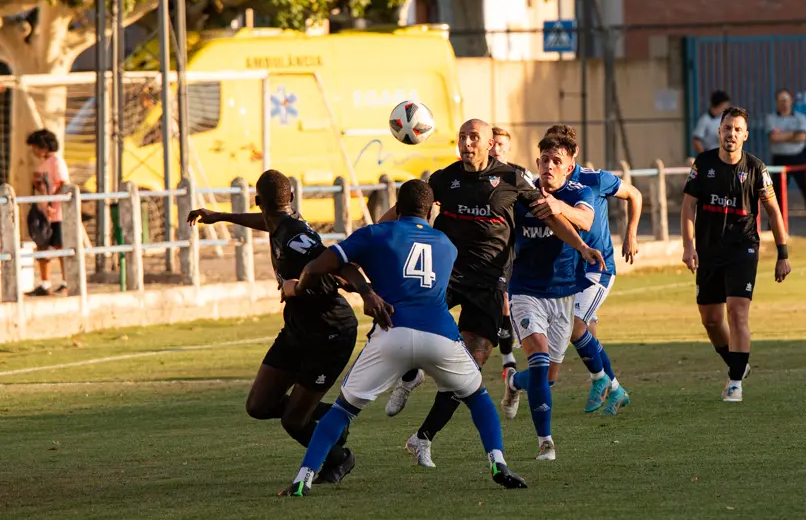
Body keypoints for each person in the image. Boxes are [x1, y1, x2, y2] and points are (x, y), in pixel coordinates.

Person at [277, 180, 527, 496]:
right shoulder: (446, 245)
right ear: (432, 209)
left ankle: (304, 478)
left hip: (392, 332)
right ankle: (498, 463)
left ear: (396, 206)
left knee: (342, 410)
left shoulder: (376, 233)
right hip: (440, 336)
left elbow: (319, 266)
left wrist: (303, 288)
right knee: (478, 397)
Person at [378, 118, 603, 468]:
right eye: (462, 137)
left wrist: (582, 247)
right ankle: (409, 375)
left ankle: (422, 438)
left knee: (470, 366)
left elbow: (549, 217)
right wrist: (375, 234)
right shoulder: (444, 179)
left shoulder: (512, 178)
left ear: (488, 144)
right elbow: (404, 212)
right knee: (404, 321)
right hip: (446, 274)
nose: (467, 143)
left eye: (474, 137)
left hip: (489, 282)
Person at [187, 170, 368, 484]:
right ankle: (329, 417)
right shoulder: (282, 223)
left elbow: (336, 263)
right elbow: (269, 223)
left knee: (294, 421)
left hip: (330, 333)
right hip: (298, 329)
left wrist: (362, 291)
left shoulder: (296, 237)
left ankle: (339, 458)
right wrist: (220, 216)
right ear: (291, 198)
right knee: (259, 405)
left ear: (258, 201)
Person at [496, 134, 605, 461]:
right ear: (537, 162)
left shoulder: (579, 192)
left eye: (557, 161)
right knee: (540, 359)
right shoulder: (523, 194)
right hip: (525, 291)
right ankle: (546, 442)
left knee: (548, 377)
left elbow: (585, 220)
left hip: (562, 294)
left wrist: (560, 208)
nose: (549, 166)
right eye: (544, 160)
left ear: (569, 166)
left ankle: (514, 382)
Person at [529, 123, 642, 415]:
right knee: (584, 332)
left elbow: (634, 194)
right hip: (569, 271)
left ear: (573, 153)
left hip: (597, 267)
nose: (552, 163)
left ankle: (601, 381)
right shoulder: (541, 184)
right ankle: (614, 389)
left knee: (574, 325)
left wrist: (630, 233)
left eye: (560, 154)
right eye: (547, 156)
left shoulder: (594, 179)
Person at [681, 107, 792, 402]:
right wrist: (688, 246)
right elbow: (688, 206)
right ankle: (738, 364)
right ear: (719, 132)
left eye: (737, 129)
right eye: (727, 128)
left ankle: (734, 383)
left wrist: (782, 254)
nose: (731, 133)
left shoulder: (756, 168)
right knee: (711, 320)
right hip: (708, 250)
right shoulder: (703, 164)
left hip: (743, 248)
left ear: (745, 135)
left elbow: (773, 211)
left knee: (737, 312)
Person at [489, 126, 534, 370]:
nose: (496, 149)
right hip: (483, 245)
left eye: (501, 145)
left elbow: (535, 202)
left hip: (512, 245)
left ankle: (508, 357)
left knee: (506, 299)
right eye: (493, 143)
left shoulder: (519, 174)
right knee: (496, 300)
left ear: (508, 148)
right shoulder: (474, 173)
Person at [766, 89, 806, 230]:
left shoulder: (800, 118)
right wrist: (793, 134)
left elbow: (802, 137)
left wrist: (784, 135)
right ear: (776, 103)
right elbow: (773, 138)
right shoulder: (771, 118)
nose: (784, 103)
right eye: (781, 100)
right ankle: (775, 226)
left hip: (799, 157)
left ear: (791, 101)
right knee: (777, 195)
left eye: (787, 100)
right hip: (780, 159)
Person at [26, 129, 70, 296]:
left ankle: (66, 282)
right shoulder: (44, 163)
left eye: (35, 147)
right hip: (46, 214)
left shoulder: (57, 161)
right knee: (42, 245)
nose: (34, 151)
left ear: (43, 147)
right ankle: (45, 283)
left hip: (57, 213)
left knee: (60, 247)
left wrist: (52, 203)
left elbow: (63, 184)